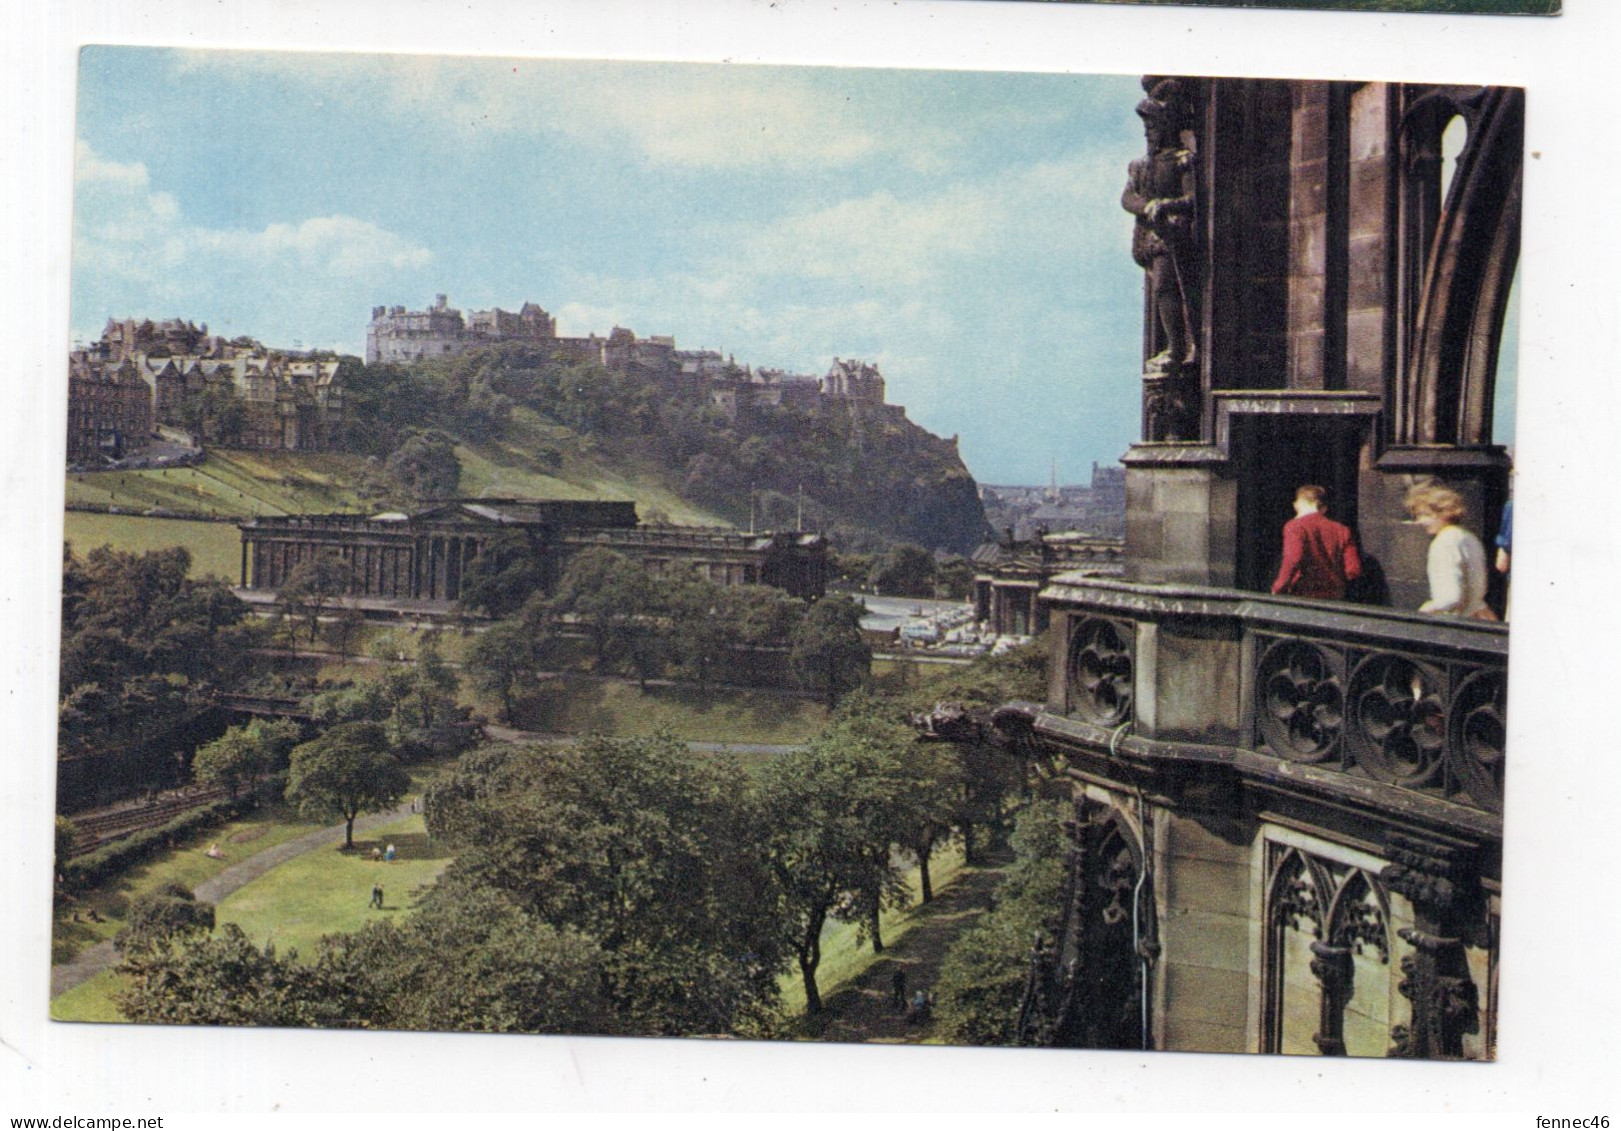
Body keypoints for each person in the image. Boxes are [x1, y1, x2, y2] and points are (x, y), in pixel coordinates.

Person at [1405, 483, 1492, 619]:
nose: (1420, 521)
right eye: (1418, 516)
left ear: (1445, 513)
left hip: (1453, 622)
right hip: (1475, 618)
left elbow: (1451, 597)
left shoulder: (1444, 542)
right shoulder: (1468, 537)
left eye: (1426, 515)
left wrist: (1426, 610)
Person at [1271, 486, 1362, 600]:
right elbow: (1353, 570)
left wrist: (1279, 587)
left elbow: (1293, 559)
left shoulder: (1295, 527)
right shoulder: (1342, 530)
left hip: (1302, 595)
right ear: (1324, 508)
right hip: (1334, 597)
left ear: (1297, 504)